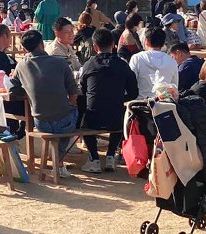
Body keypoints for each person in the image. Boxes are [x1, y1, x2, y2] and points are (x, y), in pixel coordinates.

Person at [7, 29, 79, 175]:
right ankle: (59, 162)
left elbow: (13, 89)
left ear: (25, 49)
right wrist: (71, 104)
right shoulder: (60, 63)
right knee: (75, 113)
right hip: (64, 120)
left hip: (40, 121)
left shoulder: (21, 66)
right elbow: (73, 92)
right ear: (42, 44)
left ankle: (58, 163)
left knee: (59, 124)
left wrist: (28, 90)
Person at [78, 28, 138, 172]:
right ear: (113, 45)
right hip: (116, 118)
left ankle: (94, 158)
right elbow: (134, 93)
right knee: (120, 112)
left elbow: (82, 91)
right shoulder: (123, 65)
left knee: (84, 111)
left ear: (94, 47)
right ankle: (110, 155)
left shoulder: (89, 64)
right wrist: (119, 98)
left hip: (93, 117)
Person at [129, 26, 177, 97]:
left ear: (147, 41)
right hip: (164, 101)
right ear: (163, 43)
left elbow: (130, 82)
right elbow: (174, 87)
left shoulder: (137, 58)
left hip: (140, 101)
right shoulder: (172, 61)